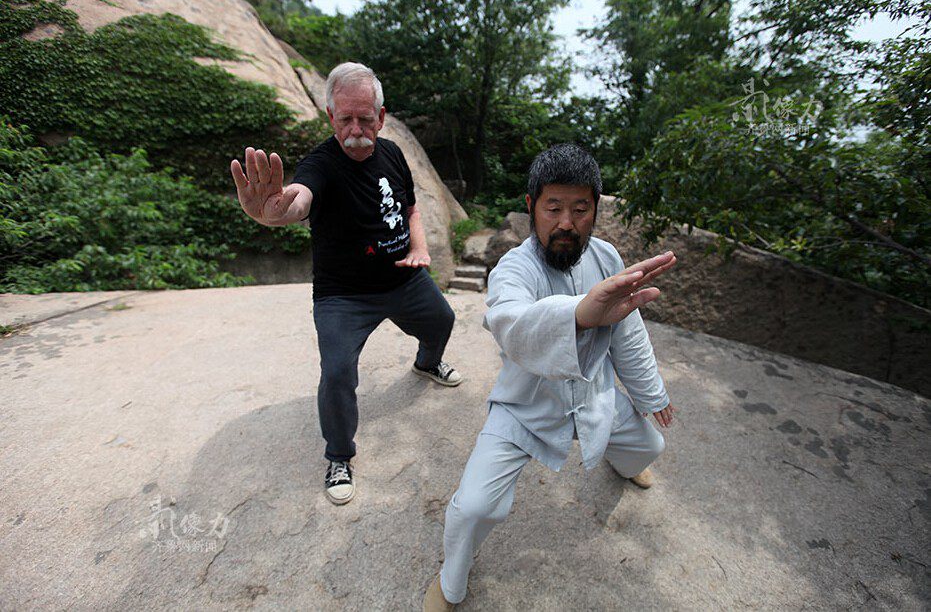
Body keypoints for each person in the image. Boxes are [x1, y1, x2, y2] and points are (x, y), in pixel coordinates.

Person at [423, 144, 677, 610]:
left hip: (595, 397)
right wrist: (581, 313)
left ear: (596, 209)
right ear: (531, 208)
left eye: (580, 209)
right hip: (525, 408)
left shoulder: (607, 258)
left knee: (651, 445)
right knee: (477, 507)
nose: (566, 223)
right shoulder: (514, 268)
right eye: (553, 207)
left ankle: (624, 464)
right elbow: (510, 322)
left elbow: (629, 332)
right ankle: (450, 581)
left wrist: (649, 392)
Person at [230, 62, 462, 506]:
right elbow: (299, 197)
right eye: (344, 119)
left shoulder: (392, 153)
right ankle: (339, 455)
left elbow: (411, 209)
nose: (355, 129)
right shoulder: (320, 164)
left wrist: (419, 249)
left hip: (402, 276)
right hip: (344, 295)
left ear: (381, 116)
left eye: (364, 118)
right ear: (330, 117)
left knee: (442, 319)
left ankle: (427, 363)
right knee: (337, 373)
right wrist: (274, 211)